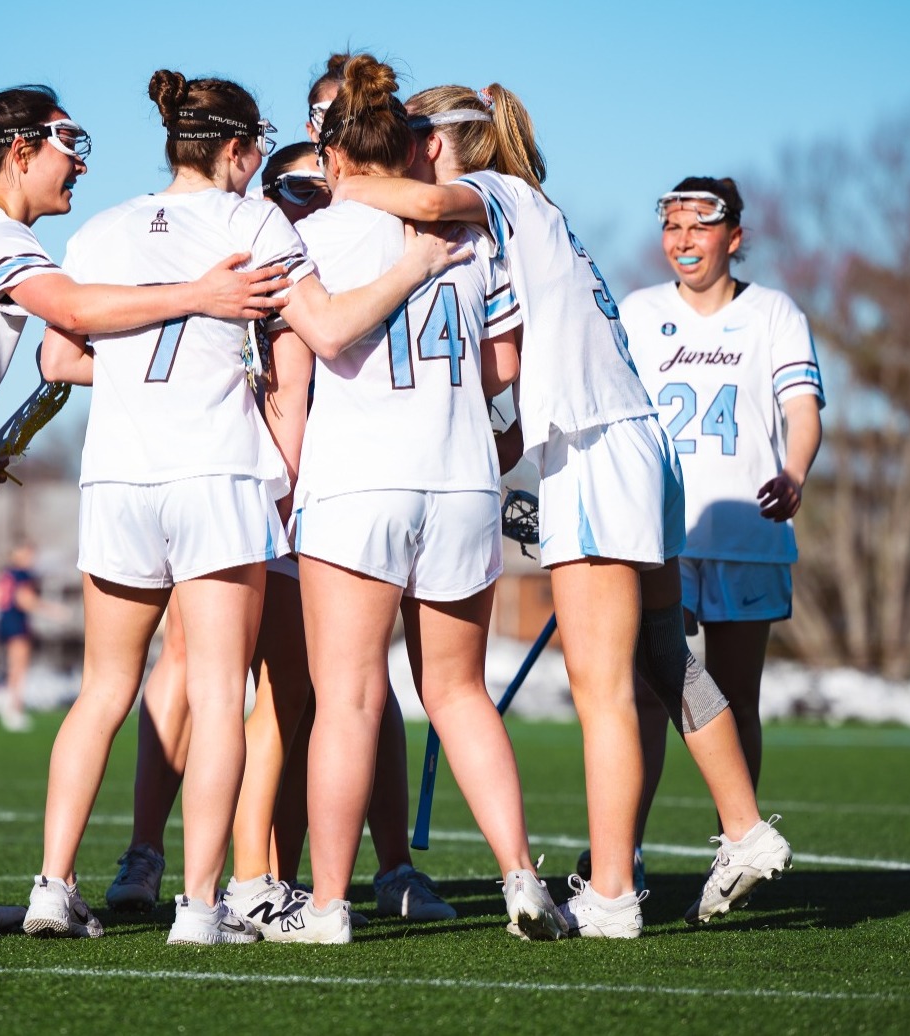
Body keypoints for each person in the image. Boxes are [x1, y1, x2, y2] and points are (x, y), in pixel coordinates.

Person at [0, 85, 290, 940]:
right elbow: (74, 316)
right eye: (66, 143)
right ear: (19, 151)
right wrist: (198, 295)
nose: (79, 160)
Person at [335, 85, 793, 935]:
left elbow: (433, 202)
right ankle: (744, 827)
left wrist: (341, 182)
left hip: (593, 451)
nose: (397, 151)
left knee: (602, 689)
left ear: (442, 141)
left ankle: (612, 893)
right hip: (632, 447)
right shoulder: (530, 211)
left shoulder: (499, 193)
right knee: (663, 656)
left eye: (407, 136)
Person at [28, 69, 467, 945]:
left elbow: (56, 360)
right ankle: (200, 906)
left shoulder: (104, 226)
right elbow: (322, 327)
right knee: (221, 693)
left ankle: (51, 885)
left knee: (103, 690)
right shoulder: (255, 220)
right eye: (259, 148)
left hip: (117, 475)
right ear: (234, 148)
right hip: (217, 474)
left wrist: (143, 355)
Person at [271, 54, 561, 944]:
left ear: (329, 145)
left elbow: (306, 356)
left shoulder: (307, 236)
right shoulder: (471, 240)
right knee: (459, 693)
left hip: (359, 482)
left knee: (349, 698)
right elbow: (502, 374)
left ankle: (325, 907)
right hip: (462, 478)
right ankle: (521, 878)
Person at [620, 177, 824, 852]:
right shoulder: (637, 312)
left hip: (746, 535)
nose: (682, 241)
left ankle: (734, 849)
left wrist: (793, 473)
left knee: (734, 700)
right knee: (650, 695)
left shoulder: (772, 313)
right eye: (671, 227)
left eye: (698, 227)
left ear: (732, 237)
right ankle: (626, 854)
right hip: (661, 535)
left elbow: (801, 410)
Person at [0, 543, 45, 732]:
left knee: (12, 666)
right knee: (19, 667)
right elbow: (25, 600)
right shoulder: (23, 575)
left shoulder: (4, 573)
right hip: (17, 623)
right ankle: (14, 709)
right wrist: (53, 611)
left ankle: (6, 705)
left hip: (4, 622)